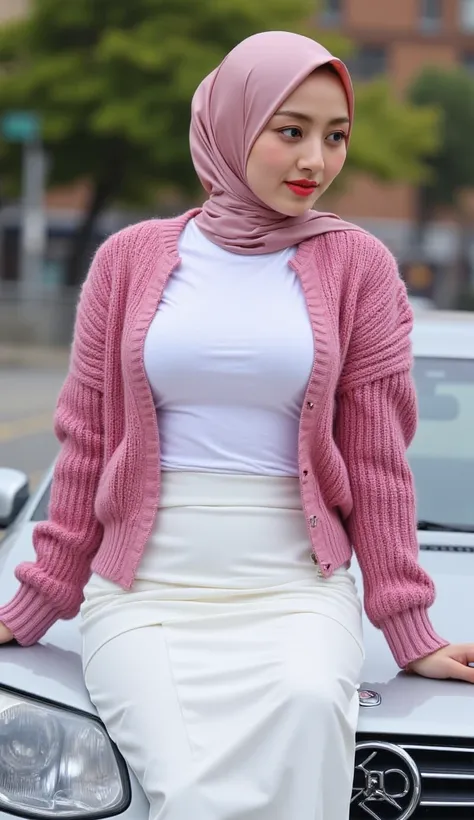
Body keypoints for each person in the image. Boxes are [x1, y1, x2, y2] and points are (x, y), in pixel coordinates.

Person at [0, 29, 473, 820]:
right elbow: (86, 447)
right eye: (290, 131)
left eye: (335, 136)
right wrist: (33, 607)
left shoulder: (360, 268)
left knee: (305, 705)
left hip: (294, 586)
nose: (315, 161)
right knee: (186, 783)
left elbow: (378, 463)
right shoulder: (128, 260)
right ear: (228, 124)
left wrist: (410, 629)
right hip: (145, 589)